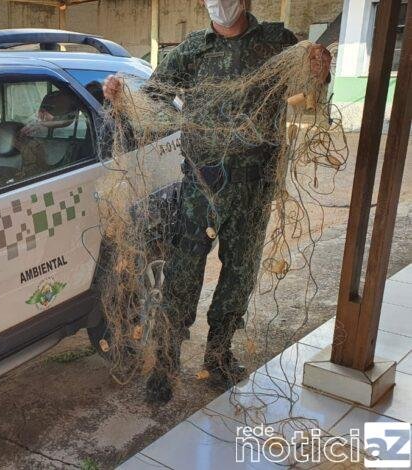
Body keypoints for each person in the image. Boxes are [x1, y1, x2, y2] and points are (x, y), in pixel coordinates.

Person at [102, 0, 331, 403]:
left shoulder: (276, 41)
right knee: (182, 276)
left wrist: (319, 72)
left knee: (238, 277)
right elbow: (153, 99)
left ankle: (219, 355)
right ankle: (166, 364)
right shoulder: (192, 49)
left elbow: (307, 92)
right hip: (200, 187)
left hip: (254, 186)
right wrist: (121, 96)